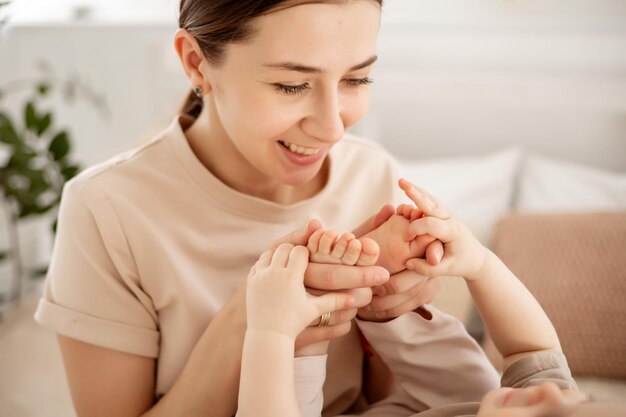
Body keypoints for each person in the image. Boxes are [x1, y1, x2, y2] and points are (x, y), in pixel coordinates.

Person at [33, 1, 502, 416]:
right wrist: (253, 316)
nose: (332, 127)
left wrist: (387, 315)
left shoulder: (372, 173)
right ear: (196, 63)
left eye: (356, 78)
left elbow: (389, 401)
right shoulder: (105, 209)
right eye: (292, 85)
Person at [239, 179, 626, 417]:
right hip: (454, 402)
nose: (549, 393)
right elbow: (533, 349)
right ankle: (379, 297)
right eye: (584, 403)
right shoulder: (538, 400)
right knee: (477, 383)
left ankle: (315, 324)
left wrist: (269, 331)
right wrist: (479, 263)